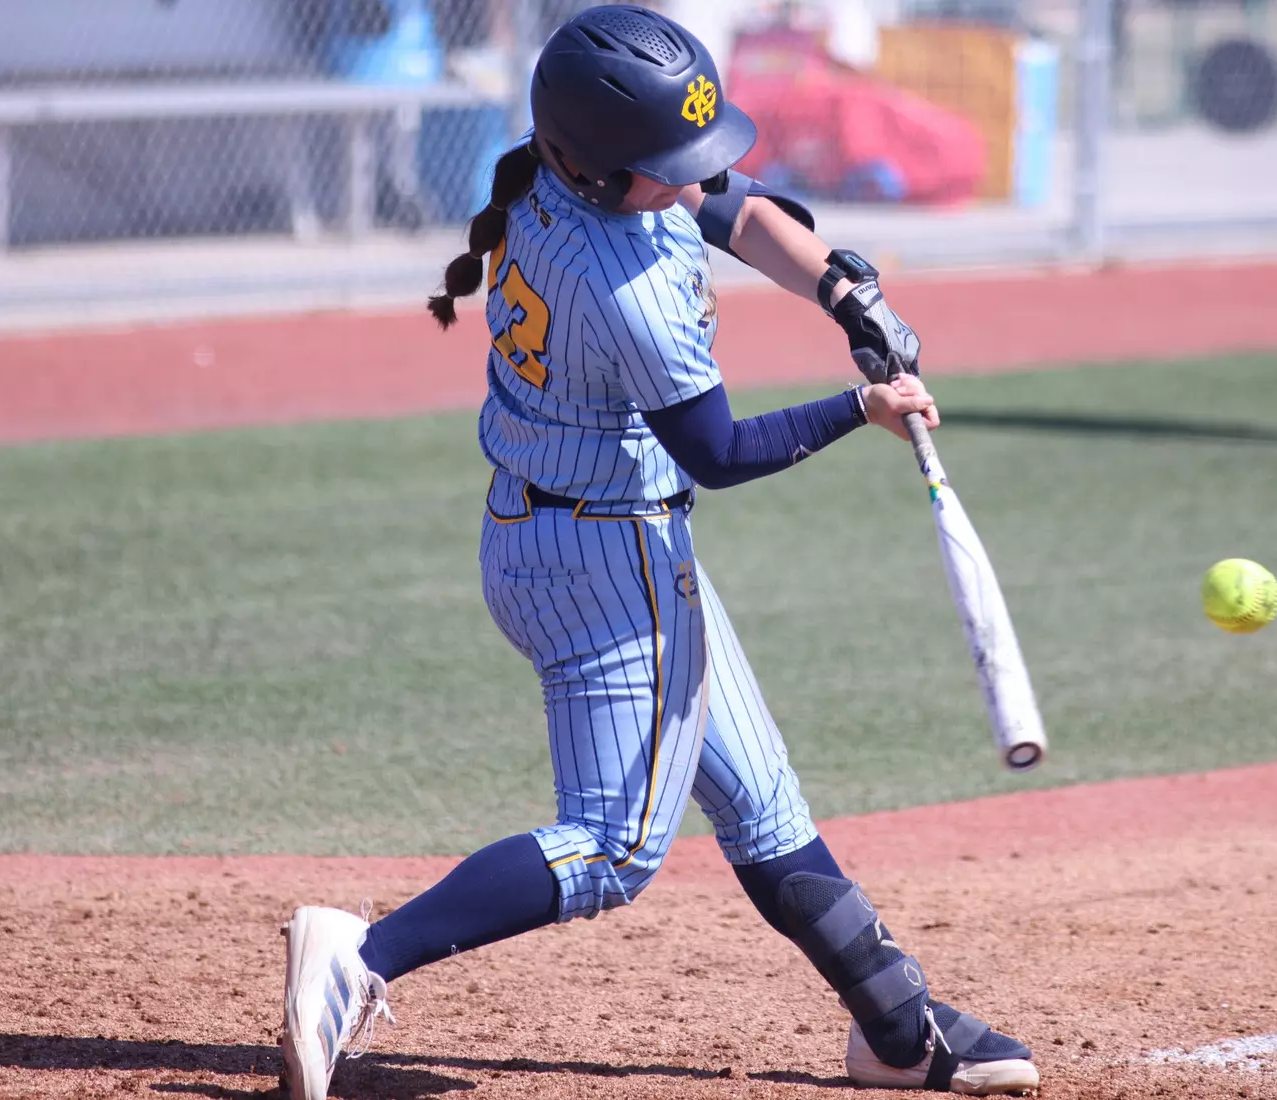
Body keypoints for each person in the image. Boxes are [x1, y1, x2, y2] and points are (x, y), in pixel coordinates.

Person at [279, 7, 1040, 1099]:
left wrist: (843, 287)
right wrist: (858, 404)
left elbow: (731, 207)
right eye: (665, 169)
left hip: (554, 533)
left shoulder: (559, 182)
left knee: (762, 801)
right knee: (614, 846)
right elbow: (719, 451)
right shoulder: (621, 285)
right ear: (593, 166)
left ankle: (895, 1025)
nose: (691, 183)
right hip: (607, 565)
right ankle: (361, 956)